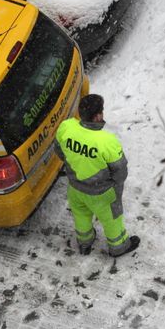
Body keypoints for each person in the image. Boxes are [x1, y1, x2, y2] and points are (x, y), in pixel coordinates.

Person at [54, 94, 140, 257]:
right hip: (101, 194)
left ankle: (85, 242)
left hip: (75, 188)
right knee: (111, 220)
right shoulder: (106, 140)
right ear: (98, 115)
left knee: (81, 216)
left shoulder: (66, 127)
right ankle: (118, 247)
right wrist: (114, 186)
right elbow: (120, 171)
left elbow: (59, 151)